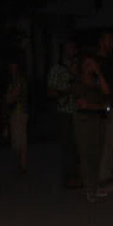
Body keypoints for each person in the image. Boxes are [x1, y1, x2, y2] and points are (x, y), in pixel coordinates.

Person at [73, 53, 110, 202]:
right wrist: (100, 107)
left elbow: (107, 93)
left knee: (97, 153)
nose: (90, 66)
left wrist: (99, 73)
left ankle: (94, 186)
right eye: (87, 63)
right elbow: (82, 104)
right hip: (83, 120)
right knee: (86, 153)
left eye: (92, 63)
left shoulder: (96, 81)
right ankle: (89, 189)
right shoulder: (77, 81)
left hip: (98, 120)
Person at [47, 39, 81, 188]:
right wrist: (65, 92)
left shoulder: (79, 66)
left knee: (79, 144)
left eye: (73, 47)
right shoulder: (57, 69)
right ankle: (69, 177)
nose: (72, 50)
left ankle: (79, 174)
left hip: (80, 110)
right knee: (68, 145)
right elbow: (50, 91)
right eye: (69, 47)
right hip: (65, 111)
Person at [96, 31, 113, 185]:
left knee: (111, 141)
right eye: (108, 40)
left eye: (112, 40)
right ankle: (101, 174)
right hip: (98, 105)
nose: (111, 43)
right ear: (101, 42)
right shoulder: (95, 61)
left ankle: (107, 172)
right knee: (101, 141)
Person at [5, 58, 29, 173]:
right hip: (16, 111)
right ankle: (21, 164)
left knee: (19, 138)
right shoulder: (13, 80)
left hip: (19, 111)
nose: (12, 68)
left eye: (13, 66)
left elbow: (13, 96)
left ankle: (22, 164)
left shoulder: (18, 80)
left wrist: (7, 99)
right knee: (19, 137)